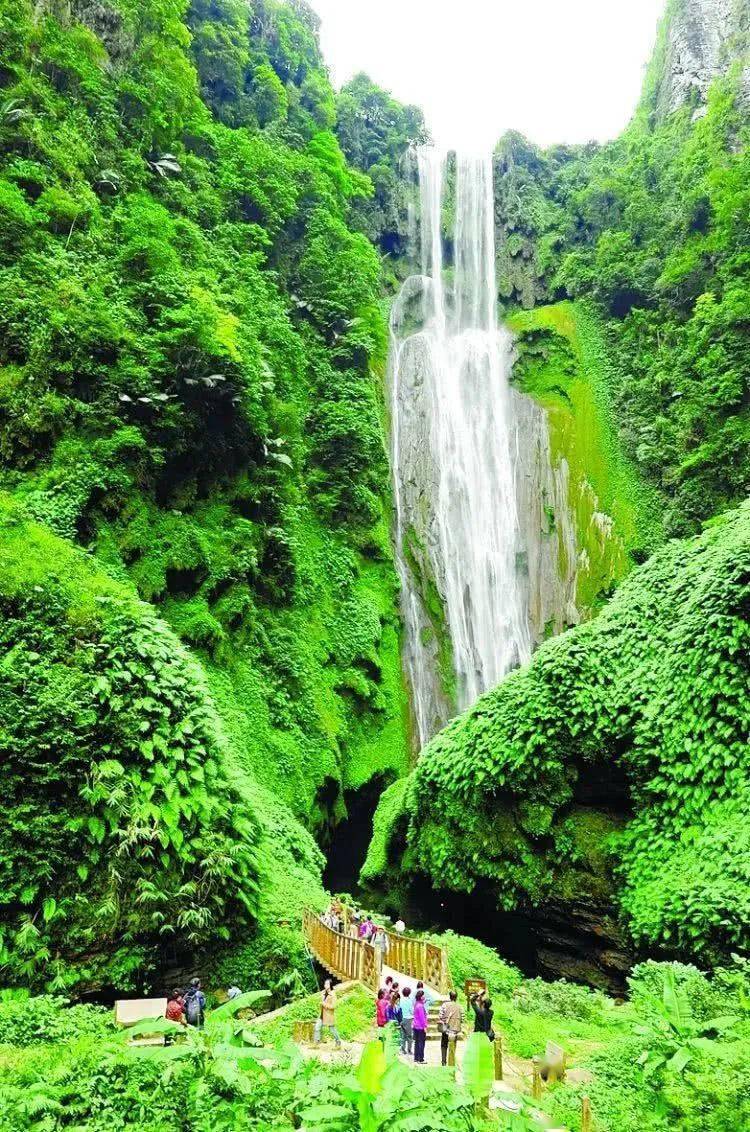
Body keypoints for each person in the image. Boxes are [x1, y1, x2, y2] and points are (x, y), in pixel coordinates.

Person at [313, 979, 341, 1048]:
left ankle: (338, 1042)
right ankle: (316, 1043)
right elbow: (321, 1001)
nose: (325, 985)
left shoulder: (333, 995)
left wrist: (324, 1004)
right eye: (325, 984)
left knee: (332, 1030)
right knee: (317, 1027)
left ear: (330, 985)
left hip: (329, 1016)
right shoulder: (323, 993)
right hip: (321, 1015)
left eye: (327, 984)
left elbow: (333, 1006)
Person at [438, 990, 463, 1066]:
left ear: (450, 996)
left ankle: (443, 1061)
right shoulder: (460, 1007)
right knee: (453, 1044)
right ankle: (451, 1060)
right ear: (456, 997)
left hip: (446, 1028)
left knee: (444, 1045)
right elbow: (463, 1018)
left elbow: (440, 1016)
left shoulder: (444, 1005)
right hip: (455, 1029)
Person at [413, 989, 428, 1064]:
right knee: (421, 1042)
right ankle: (421, 1059)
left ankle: (416, 1057)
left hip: (415, 1026)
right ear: (421, 997)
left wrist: (423, 1002)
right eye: (423, 995)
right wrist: (425, 1027)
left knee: (417, 1042)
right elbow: (422, 1018)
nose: (424, 996)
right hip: (420, 1027)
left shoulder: (416, 1004)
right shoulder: (420, 1006)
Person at [400, 985, 414, 1055]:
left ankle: (403, 1049)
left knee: (403, 1035)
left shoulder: (401, 1000)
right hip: (408, 1019)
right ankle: (409, 1050)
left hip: (402, 1019)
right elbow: (411, 1011)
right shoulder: (409, 1001)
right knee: (409, 1036)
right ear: (409, 993)